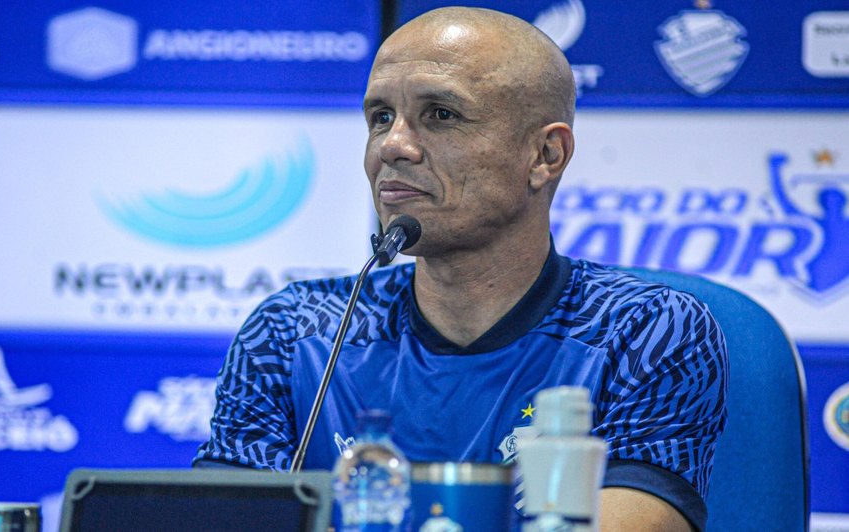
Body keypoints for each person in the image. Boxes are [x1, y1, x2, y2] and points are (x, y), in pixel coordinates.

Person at [195, 7, 727, 532]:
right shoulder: (295, 331)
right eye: (380, 117)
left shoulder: (646, 328)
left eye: (441, 115)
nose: (393, 146)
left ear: (545, 155)